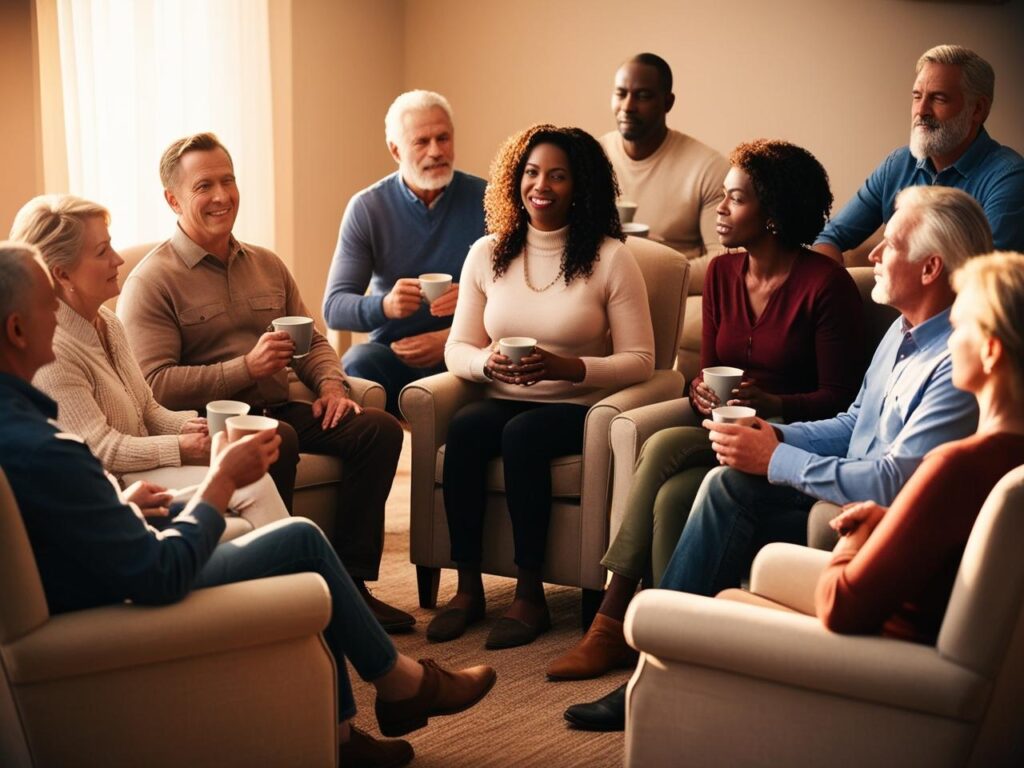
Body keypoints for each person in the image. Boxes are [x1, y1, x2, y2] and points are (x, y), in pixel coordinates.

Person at [0, 241, 496, 768]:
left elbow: (60, 519)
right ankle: (396, 689)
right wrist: (219, 481)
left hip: (101, 571)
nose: (59, 312)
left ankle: (361, 717)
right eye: (47, 304)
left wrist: (119, 506)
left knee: (308, 519)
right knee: (299, 540)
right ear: (16, 330)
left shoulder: (22, 426)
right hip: (119, 600)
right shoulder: (44, 446)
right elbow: (160, 572)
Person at [565, 184, 990, 731]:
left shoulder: (958, 361)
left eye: (891, 244)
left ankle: (652, 663)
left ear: (930, 268)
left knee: (728, 487)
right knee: (704, 479)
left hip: (874, 518)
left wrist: (775, 461)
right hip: (842, 484)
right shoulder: (901, 334)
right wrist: (776, 437)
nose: (875, 254)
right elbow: (853, 424)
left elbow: (895, 484)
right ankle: (661, 663)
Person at [547, 140, 865, 681]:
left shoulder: (827, 286)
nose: (720, 210)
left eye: (735, 200)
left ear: (772, 213)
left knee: (664, 446)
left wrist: (776, 404)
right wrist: (699, 390)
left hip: (791, 436)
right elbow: (710, 368)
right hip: (722, 428)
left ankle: (612, 620)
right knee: (672, 496)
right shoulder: (720, 276)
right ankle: (665, 649)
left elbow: (842, 398)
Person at [116, 132, 411, 631]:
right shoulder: (152, 281)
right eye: (204, 185)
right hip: (207, 426)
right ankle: (283, 589)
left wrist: (333, 388)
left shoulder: (267, 264)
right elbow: (153, 386)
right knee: (280, 439)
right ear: (173, 199)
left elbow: (314, 340)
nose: (222, 196)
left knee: (377, 429)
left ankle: (352, 586)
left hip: (278, 408)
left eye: (228, 180)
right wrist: (244, 369)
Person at [429, 125, 655, 649]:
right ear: (514, 179)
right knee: (466, 427)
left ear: (582, 185)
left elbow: (641, 361)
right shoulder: (487, 253)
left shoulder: (611, 257)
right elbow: (457, 347)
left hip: (576, 407)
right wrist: (487, 366)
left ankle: (529, 595)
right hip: (502, 396)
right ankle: (467, 589)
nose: (542, 185)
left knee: (524, 436)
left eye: (557, 175)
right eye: (531, 173)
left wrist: (568, 367)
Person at [13, 194, 288, 539]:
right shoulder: (53, 350)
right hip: (116, 486)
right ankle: (294, 576)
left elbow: (147, 409)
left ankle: (285, 576)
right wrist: (180, 447)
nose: (117, 260)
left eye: (111, 246)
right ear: (62, 274)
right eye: (102, 252)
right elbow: (101, 449)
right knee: (254, 484)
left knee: (254, 465)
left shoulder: (108, 323)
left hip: (147, 465)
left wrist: (194, 427)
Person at [814, 251, 1024, 644]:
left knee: (727, 602)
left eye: (959, 326)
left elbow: (839, 605)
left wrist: (856, 536)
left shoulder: (956, 466)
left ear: (991, 351)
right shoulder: (1007, 461)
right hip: (932, 657)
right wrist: (888, 519)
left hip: (891, 663)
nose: (950, 338)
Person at [323, 90, 486, 417]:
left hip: (466, 352)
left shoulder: (487, 200)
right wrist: (385, 304)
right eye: (422, 142)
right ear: (395, 150)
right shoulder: (368, 208)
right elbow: (334, 308)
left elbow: (514, 298)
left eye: (444, 138)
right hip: (392, 356)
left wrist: (451, 335)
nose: (436, 151)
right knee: (357, 362)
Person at [815, 45, 1024, 261]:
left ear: (978, 109)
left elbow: (985, 276)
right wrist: (836, 289)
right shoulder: (898, 164)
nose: (921, 110)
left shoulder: (1009, 178)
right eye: (917, 96)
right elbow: (829, 238)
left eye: (938, 98)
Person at [598, 52, 729, 292]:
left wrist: (651, 275)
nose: (628, 106)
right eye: (621, 94)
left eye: (643, 96)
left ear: (667, 102)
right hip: (601, 287)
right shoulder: (593, 157)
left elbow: (723, 260)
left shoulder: (707, 167)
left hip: (676, 293)